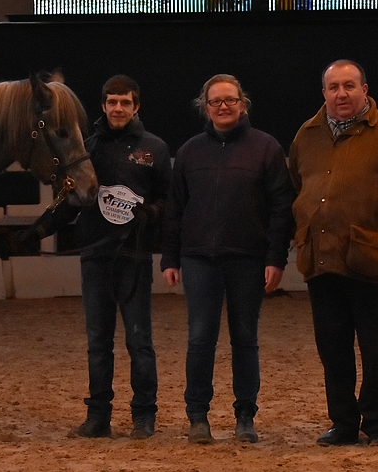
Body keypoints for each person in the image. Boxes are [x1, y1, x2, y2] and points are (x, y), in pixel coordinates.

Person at [27, 74, 172, 439]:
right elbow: (69, 200)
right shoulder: (87, 147)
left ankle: (144, 415)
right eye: (112, 102)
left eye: (125, 102)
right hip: (95, 259)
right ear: (103, 106)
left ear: (136, 106)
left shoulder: (155, 148)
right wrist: (38, 231)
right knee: (98, 342)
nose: (118, 108)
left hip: (134, 257)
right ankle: (98, 416)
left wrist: (151, 214)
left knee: (139, 340)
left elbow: (170, 200)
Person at [289, 59, 378, 447]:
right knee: (332, 348)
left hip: (371, 259)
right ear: (324, 93)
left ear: (365, 89)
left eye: (349, 86)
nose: (341, 94)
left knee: (376, 348)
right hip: (321, 258)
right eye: (333, 87)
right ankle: (343, 422)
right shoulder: (307, 134)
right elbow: (298, 181)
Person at [161, 74, 295, 445]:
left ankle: (245, 415)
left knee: (245, 339)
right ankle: (198, 417)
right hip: (199, 260)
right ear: (205, 108)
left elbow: (281, 209)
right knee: (200, 338)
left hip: (248, 260)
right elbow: (175, 208)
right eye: (216, 101)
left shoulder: (266, 149)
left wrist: (275, 258)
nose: (223, 106)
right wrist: (170, 257)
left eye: (230, 100)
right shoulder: (189, 152)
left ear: (243, 104)